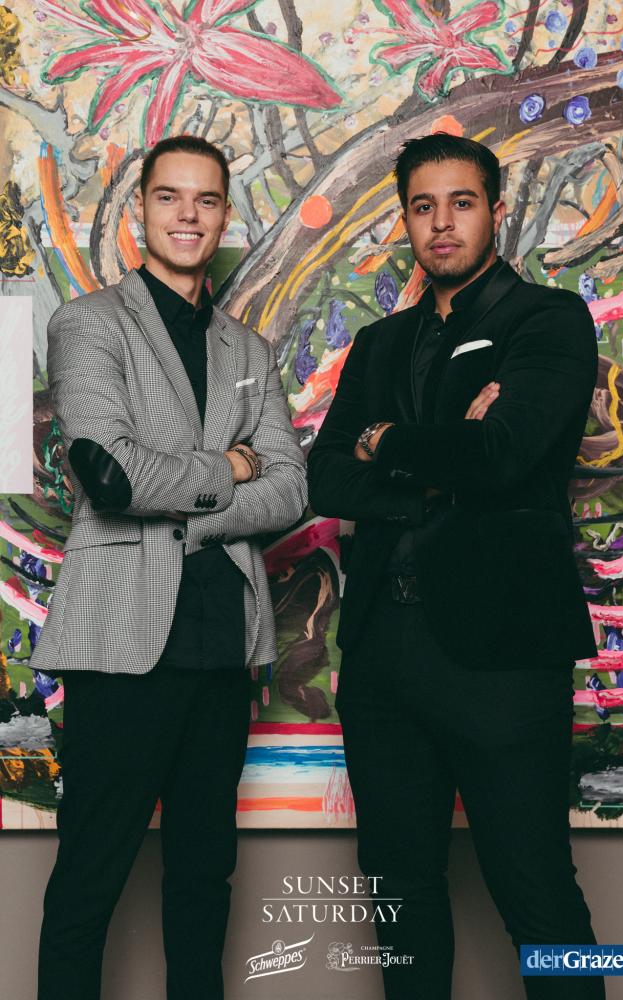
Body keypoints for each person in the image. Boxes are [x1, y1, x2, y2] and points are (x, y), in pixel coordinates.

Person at [307, 133, 603, 999]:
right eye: (422, 206)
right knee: (398, 898)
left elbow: (502, 456)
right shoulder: (377, 343)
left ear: (495, 212)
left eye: (461, 203)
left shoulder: (547, 319)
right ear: (405, 219)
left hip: (502, 654)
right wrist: (439, 462)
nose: (441, 223)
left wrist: (385, 440)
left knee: (540, 896)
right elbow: (326, 477)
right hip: (380, 657)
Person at [32, 134, 307, 1000]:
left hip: (223, 645)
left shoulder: (247, 351)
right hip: (121, 644)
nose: (188, 214)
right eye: (169, 196)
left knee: (202, 877)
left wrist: (191, 505)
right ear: (139, 211)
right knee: (90, 879)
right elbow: (110, 476)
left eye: (206, 199)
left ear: (223, 218)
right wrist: (228, 468)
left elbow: (292, 488)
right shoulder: (89, 323)